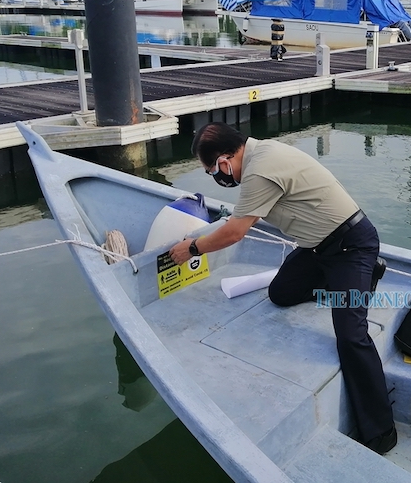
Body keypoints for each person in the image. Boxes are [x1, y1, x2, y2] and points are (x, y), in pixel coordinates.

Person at [168, 123, 397, 455]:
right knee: (281, 294)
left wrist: (192, 248)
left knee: (351, 335)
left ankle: (381, 432)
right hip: (317, 248)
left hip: (351, 247)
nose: (215, 176)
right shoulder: (260, 154)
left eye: (211, 170)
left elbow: (234, 233)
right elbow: (245, 217)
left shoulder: (260, 170)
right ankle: (351, 284)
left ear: (224, 159)